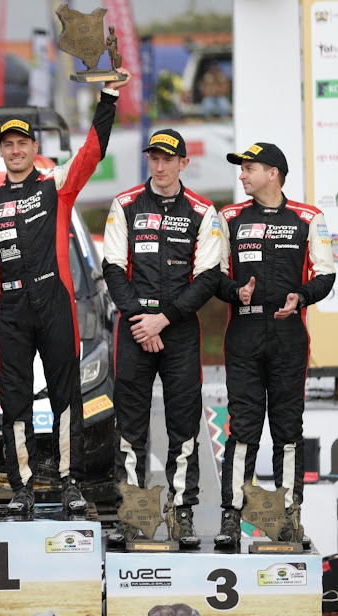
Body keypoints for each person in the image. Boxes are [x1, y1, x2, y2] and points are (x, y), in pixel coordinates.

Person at [0, 68, 132, 513]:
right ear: (1, 151)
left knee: (67, 396)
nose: (16, 149)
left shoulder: (55, 186)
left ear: (34, 149)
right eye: (8, 144)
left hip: (54, 300)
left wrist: (108, 99)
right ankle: (21, 483)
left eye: (23, 143)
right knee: (14, 399)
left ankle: (70, 482)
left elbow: (92, 151)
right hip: (12, 307)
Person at [102, 129, 221, 547]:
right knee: (129, 426)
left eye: (168, 158)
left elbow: (207, 279)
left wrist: (162, 320)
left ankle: (182, 513)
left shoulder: (204, 211)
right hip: (134, 326)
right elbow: (113, 268)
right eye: (154, 158)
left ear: (183, 163)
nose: (160, 165)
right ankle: (134, 514)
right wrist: (140, 319)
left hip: (180, 328)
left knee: (183, 424)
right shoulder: (126, 204)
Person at [214, 143, 336, 548]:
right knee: (243, 430)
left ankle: (287, 516)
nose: (242, 175)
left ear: (273, 173)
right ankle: (231, 517)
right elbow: (211, 275)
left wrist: (299, 297)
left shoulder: (308, 217)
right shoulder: (229, 217)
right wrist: (236, 292)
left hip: (288, 337)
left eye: (249, 168)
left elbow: (325, 273)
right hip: (244, 336)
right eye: (242, 168)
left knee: (287, 432)